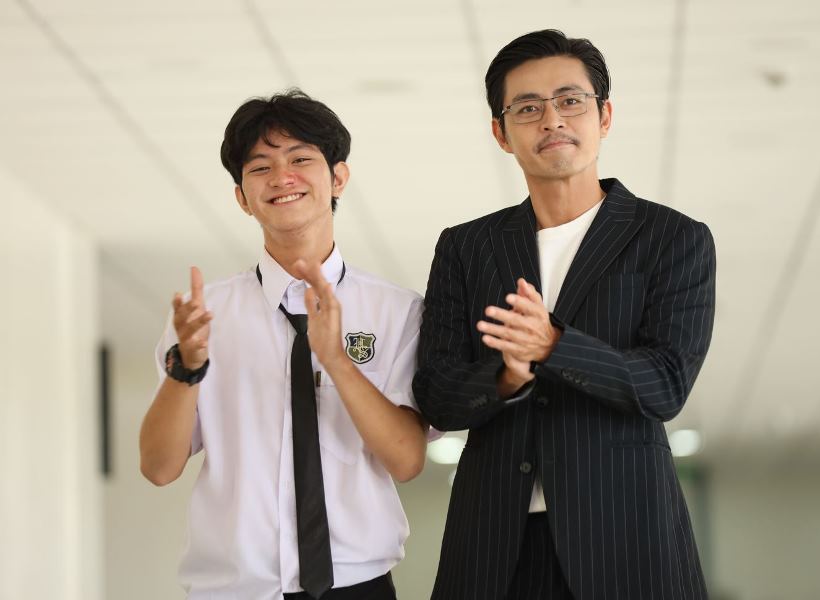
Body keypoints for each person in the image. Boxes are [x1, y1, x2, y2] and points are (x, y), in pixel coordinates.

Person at [414, 30, 716, 600]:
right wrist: (506, 377)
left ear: (604, 117)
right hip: (493, 544)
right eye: (528, 108)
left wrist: (554, 345)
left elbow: (665, 384)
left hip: (627, 537)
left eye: (570, 101)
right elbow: (436, 394)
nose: (551, 119)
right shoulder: (467, 247)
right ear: (501, 133)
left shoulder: (673, 238)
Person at [140, 89, 428, 600]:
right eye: (260, 167)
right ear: (241, 197)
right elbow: (159, 468)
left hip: (356, 586)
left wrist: (336, 360)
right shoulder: (205, 315)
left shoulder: (397, 310)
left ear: (338, 177)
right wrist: (187, 369)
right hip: (232, 589)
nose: (281, 177)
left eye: (300, 159)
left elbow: (406, 461)